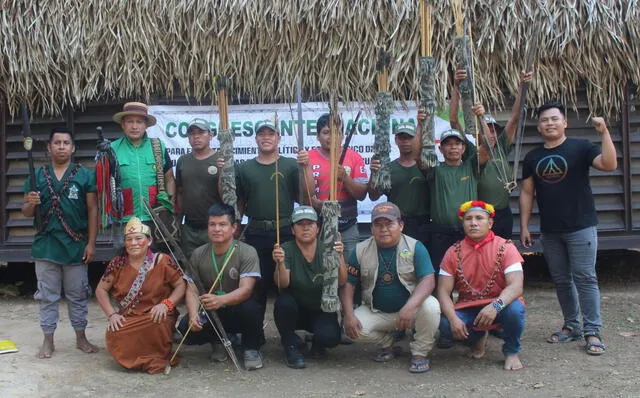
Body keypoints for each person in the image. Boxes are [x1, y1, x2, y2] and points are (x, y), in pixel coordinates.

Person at [520, 101, 617, 356]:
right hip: (550, 230)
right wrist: (524, 226)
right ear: (539, 127)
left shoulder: (581, 147)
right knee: (562, 280)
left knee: (585, 278)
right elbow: (527, 192)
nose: (549, 123)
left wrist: (604, 132)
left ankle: (592, 331)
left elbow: (609, 165)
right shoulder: (532, 157)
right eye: (544, 120)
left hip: (581, 226)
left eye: (554, 119)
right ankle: (571, 326)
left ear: (565, 122)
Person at [22, 127, 98, 359]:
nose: (62, 146)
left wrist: (91, 243)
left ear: (73, 148)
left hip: (75, 245)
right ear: (49, 147)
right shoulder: (35, 176)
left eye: (66, 143)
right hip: (46, 245)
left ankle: (81, 337)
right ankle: (48, 340)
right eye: (57, 143)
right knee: (47, 295)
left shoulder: (84, 175)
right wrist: (32, 203)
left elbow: (93, 209)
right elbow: (26, 212)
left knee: (78, 294)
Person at [231, 120, 313, 335]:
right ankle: (254, 339)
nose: (266, 137)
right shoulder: (244, 168)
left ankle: (291, 338)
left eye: (271, 134)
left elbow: (307, 194)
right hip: (256, 232)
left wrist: (306, 167)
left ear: (279, 138)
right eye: (262, 134)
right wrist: (236, 227)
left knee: (288, 288)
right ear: (255, 139)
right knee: (257, 288)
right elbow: (239, 201)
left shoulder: (289, 165)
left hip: (286, 231)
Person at [340, 202, 440, 373]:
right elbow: (349, 284)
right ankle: (388, 343)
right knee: (352, 329)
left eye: (389, 224)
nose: (383, 229)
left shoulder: (416, 247)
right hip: (378, 311)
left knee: (431, 306)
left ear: (401, 225)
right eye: (378, 225)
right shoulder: (360, 250)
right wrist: (348, 314)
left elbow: (428, 280)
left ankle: (420, 353)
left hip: (410, 311)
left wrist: (410, 306)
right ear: (371, 228)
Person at [437, 200, 525, 370]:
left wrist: (496, 305)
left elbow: (516, 286)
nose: (473, 223)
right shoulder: (452, 252)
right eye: (468, 219)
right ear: (463, 224)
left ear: (490, 223)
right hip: (469, 306)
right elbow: (442, 290)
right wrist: (454, 319)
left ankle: (511, 351)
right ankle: (477, 338)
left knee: (515, 310)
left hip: (501, 304)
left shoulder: (506, 247)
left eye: (479, 218)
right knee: (446, 324)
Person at [95, 217, 186, 374]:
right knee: (115, 332)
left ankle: (155, 360)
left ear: (149, 241)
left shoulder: (162, 261)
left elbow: (181, 285)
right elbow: (100, 290)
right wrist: (112, 315)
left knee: (158, 323)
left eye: (138, 238)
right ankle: (138, 361)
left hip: (156, 314)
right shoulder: (117, 263)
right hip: (129, 316)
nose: (133, 243)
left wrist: (167, 304)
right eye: (129, 239)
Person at [450, 70, 533, 239]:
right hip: (481, 215)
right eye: (488, 129)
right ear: (479, 133)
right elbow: (453, 121)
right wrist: (456, 87)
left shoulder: (502, 146)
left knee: (502, 255)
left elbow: (515, 117)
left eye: (495, 130)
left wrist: (523, 86)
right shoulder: (471, 152)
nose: (492, 134)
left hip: (503, 213)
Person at [180, 203, 264, 370]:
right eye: (212, 224)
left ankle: (251, 348)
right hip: (213, 309)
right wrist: (192, 314)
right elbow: (192, 288)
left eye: (222, 224)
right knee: (185, 327)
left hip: (238, 308)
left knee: (252, 308)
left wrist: (221, 299)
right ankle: (219, 340)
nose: (216, 229)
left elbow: (246, 289)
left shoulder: (247, 252)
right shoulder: (198, 254)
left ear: (234, 228)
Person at [272, 206, 347, 369]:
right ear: (293, 229)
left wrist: (339, 256)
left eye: (310, 224)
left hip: (320, 308)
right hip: (296, 308)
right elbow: (282, 283)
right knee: (283, 303)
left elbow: (341, 281)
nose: (305, 228)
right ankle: (290, 345)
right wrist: (280, 263)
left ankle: (317, 342)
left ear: (318, 228)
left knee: (330, 338)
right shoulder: (286, 249)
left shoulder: (327, 247)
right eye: (300, 224)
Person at [415, 107, 489, 270]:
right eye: (448, 144)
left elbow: (488, 146)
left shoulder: (471, 166)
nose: (453, 147)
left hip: (468, 231)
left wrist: (481, 118)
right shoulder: (435, 169)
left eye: (457, 144)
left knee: (470, 271)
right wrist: (420, 126)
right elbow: (416, 155)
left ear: (463, 149)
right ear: (440, 149)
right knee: (442, 273)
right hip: (440, 233)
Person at [309, 114, 368, 257]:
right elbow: (300, 194)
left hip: (347, 227)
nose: (332, 137)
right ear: (318, 136)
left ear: (342, 136)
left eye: (337, 132)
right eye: (326, 132)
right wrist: (316, 204)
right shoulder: (308, 158)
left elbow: (361, 195)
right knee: (321, 271)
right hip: (318, 227)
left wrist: (345, 178)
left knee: (349, 270)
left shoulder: (355, 157)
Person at [110, 102, 174, 225]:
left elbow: (170, 178)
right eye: (130, 121)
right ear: (123, 124)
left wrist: (168, 205)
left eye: (139, 122)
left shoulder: (158, 146)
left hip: (155, 217)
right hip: (123, 218)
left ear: (146, 125)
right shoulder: (112, 149)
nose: (134, 126)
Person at [368, 122, 430, 245]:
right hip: (397, 223)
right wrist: (374, 174)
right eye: (402, 138)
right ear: (396, 140)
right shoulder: (389, 168)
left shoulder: (427, 167)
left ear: (417, 139)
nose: (405, 141)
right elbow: (373, 195)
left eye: (410, 137)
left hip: (424, 223)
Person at [175, 119, 222, 258]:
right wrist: (178, 222)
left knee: (214, 269)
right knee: (191, 270)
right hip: (189, 228)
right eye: (192, 133)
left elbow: (230, 196)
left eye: (201, 132)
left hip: (215, 227)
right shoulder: (183, 161)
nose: (196, 137)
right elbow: (180, 192)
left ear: (211, 135)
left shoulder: (221, 160)